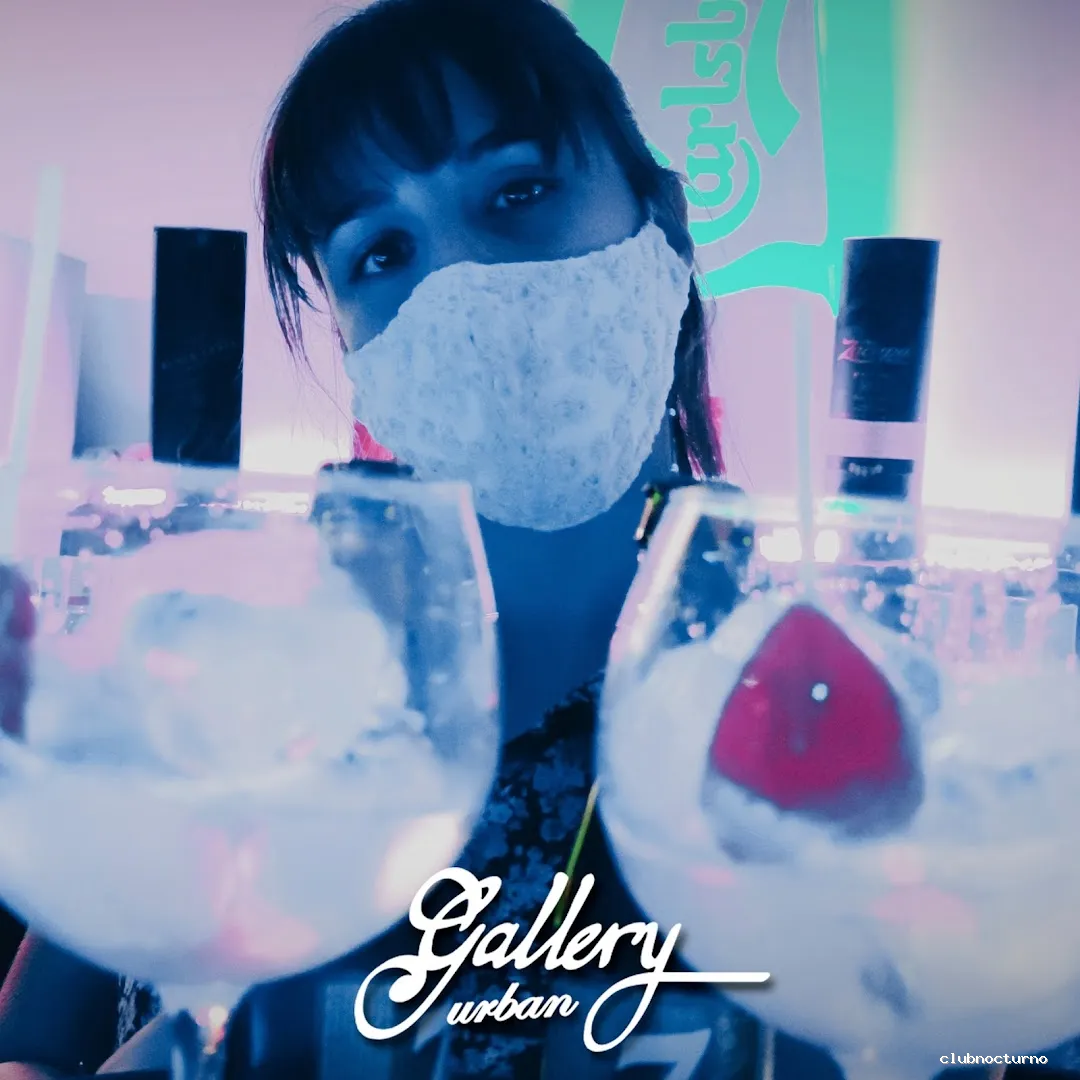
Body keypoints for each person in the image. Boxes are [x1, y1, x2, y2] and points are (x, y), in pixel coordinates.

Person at [0, 1, 995, 1078]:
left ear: (664, 222)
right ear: (354, 346)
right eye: (381, 252)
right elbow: (34, 1040)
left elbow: (932, 1036)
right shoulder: (242, 662)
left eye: (517, 192)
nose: (458, 282)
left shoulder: (819, 692)